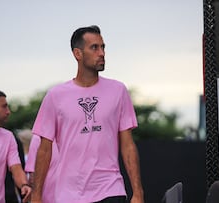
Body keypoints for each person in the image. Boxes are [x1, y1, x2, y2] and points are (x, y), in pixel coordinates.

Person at [31, 25, 144, 203]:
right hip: (68, 194)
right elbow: (44, 150)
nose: (101, 53)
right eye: (94, 47)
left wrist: (138, 193)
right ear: (78, 54)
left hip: (110, 189)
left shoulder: (118, 90)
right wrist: (36, 196)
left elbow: (128, 145)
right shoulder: (55, 96)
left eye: (103, 47)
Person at [25, 134, 58, 203]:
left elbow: (32, 176)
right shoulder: (38, 137)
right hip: (46, 198)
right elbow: (32, 175)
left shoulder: (38, 137)